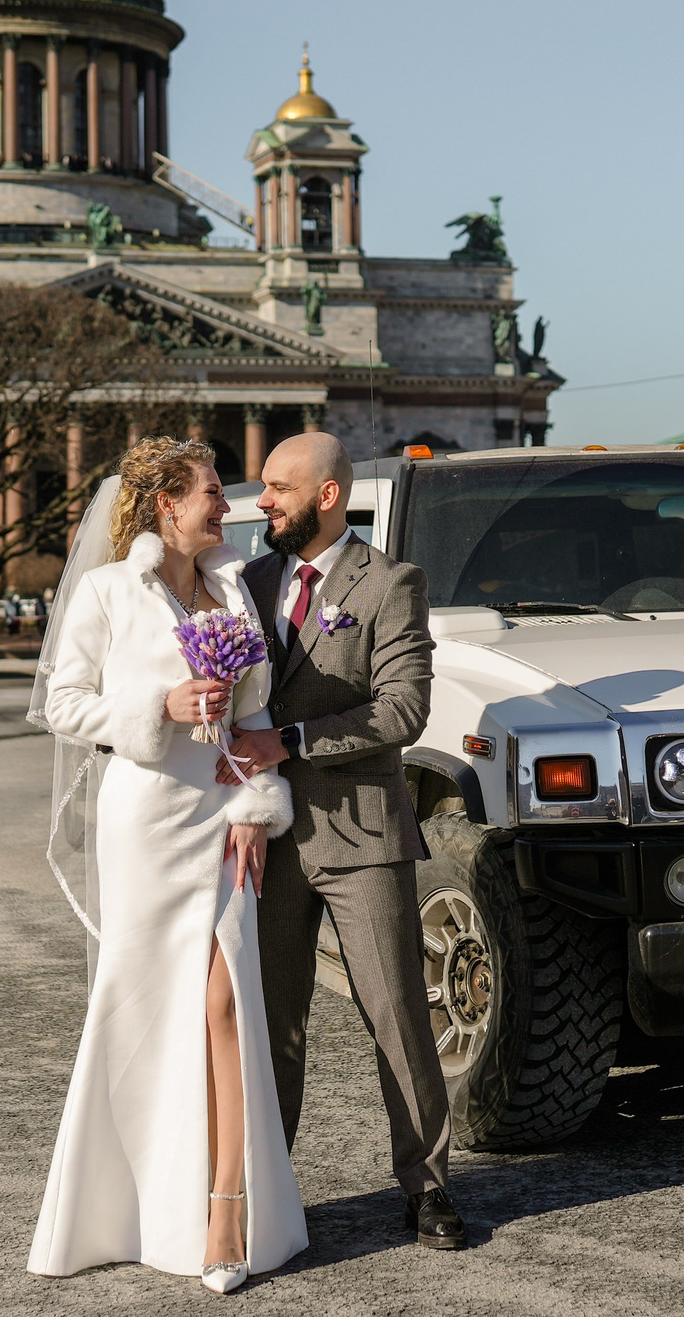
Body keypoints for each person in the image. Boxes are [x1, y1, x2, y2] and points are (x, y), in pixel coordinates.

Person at [29, 439, 307, 1294]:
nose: (228, 505)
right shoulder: (110, 591)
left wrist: (259, 810)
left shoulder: (231, 587)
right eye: (212, 494)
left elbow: (257, 709)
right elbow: (63, 703)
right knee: (145, 1008)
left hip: (223, 819)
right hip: (145, 820)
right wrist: (160, 703)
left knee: (227, 1004)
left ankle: (226, 1213)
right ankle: (124, 1206)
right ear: (165, 505)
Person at [228, 432, 464, 1251]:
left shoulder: (392, 582)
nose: (262, 503)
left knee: (397, 1014)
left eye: (277, 489)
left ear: (326, 496)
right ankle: (267, 1196)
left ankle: (429, 1189)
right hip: (262, 840)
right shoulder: (247, 582)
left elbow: (403, 711)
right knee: (270, 1025)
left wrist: (290, 739)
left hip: (361, 835)